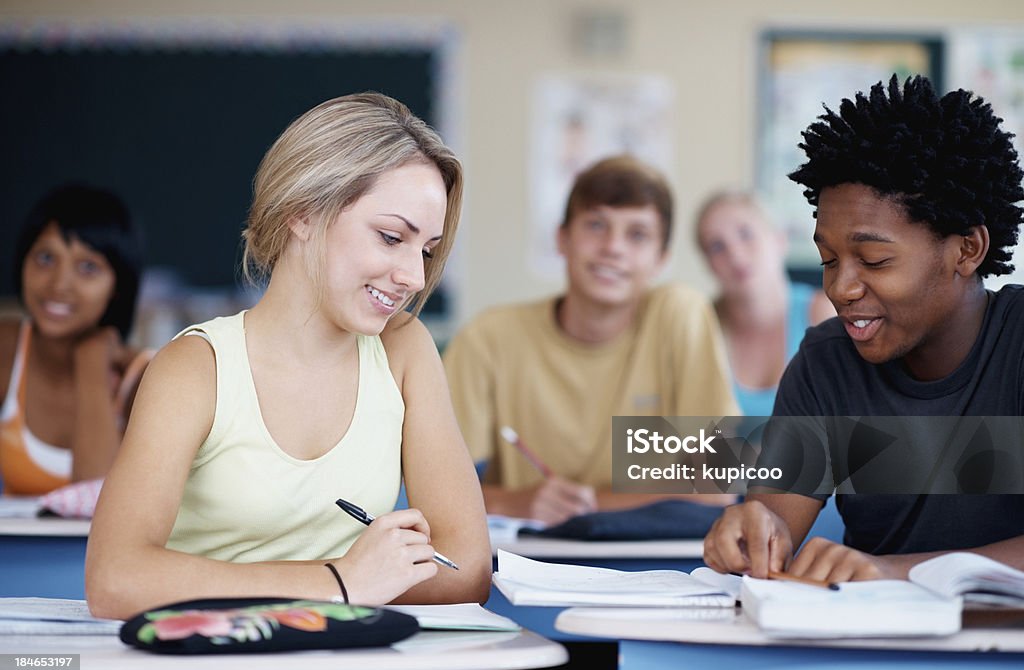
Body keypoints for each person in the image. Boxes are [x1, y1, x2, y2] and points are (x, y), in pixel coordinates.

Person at [86, 93, 491, 619]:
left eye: (427, 250)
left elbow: (465, 567)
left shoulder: (404, 349)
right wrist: (339, 583)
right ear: (303, 212)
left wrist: (350, 584)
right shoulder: (195, 367)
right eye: (392, 237)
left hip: (349, 665)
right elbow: (115, 580)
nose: (415, 277)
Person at [703, 74, 1024, 582]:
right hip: (875, 649)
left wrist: (891, 572)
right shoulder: (827, 363)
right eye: (829, 259)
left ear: (967, 249)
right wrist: (748, 531)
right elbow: (770, 525)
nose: (841, 288)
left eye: (873, 260)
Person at [443, 155, 738, 526]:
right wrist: (518, 501)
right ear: (562, 238)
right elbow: (434, 491)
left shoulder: (680, 314)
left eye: (637, 234)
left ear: (661, 259)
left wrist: (589, 504)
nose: (613, 247)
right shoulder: (488, 338)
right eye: (596, 225)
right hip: (525, 557)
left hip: (651, 558)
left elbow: (720, 481)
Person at [0, 184, 149, 495]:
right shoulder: (8, 347)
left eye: (87, 267)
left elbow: (95, 495)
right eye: (45, 257)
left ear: (118, 287)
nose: (59, 284)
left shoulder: (141, 377)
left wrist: (91, 362)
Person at [695, 191, 834, 416]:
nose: (735, 254)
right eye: (717, 246)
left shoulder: (824, 314)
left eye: (746, 234)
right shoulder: (700, 330)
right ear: (708, 265)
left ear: (779, 240)